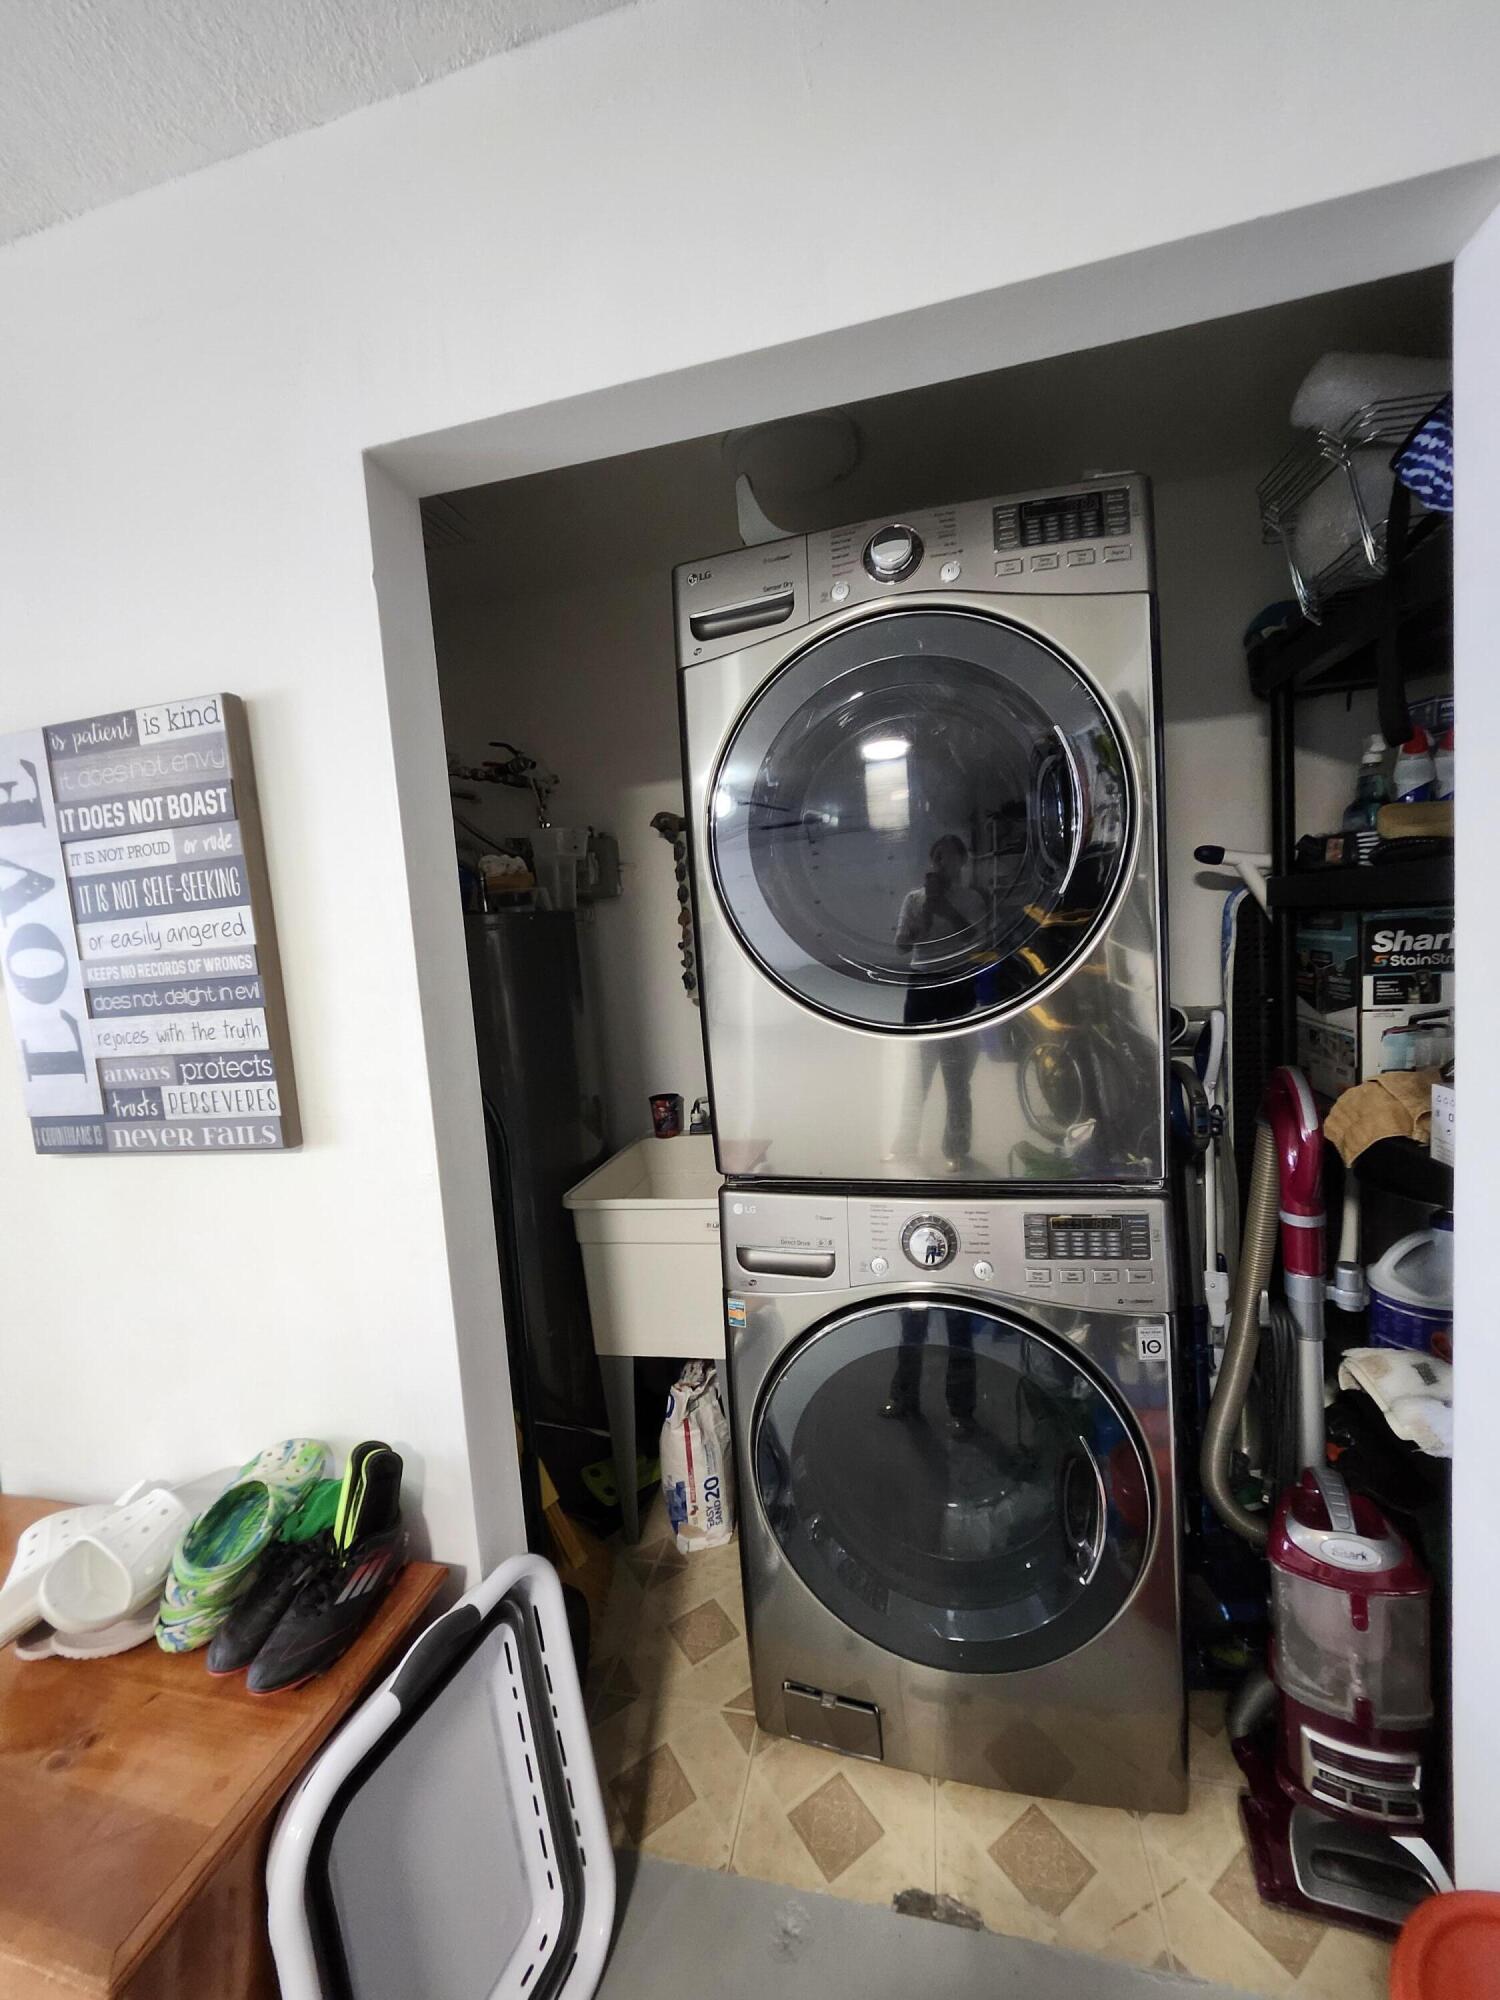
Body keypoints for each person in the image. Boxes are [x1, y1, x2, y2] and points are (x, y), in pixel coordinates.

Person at [889, 834, 985, 1166]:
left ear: (962, 861)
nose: (943, 864)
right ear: (933, 863)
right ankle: (904, 1145)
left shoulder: (973, 898)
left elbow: (977, 938)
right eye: (937, 858)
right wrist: (927, 915)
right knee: (918, 1070)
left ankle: (956, 1150)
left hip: (957, 982)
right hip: (922, 983)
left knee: (956, 1074)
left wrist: (947, 909)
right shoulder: (914, 900)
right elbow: (902, 946)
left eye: (949, 857)